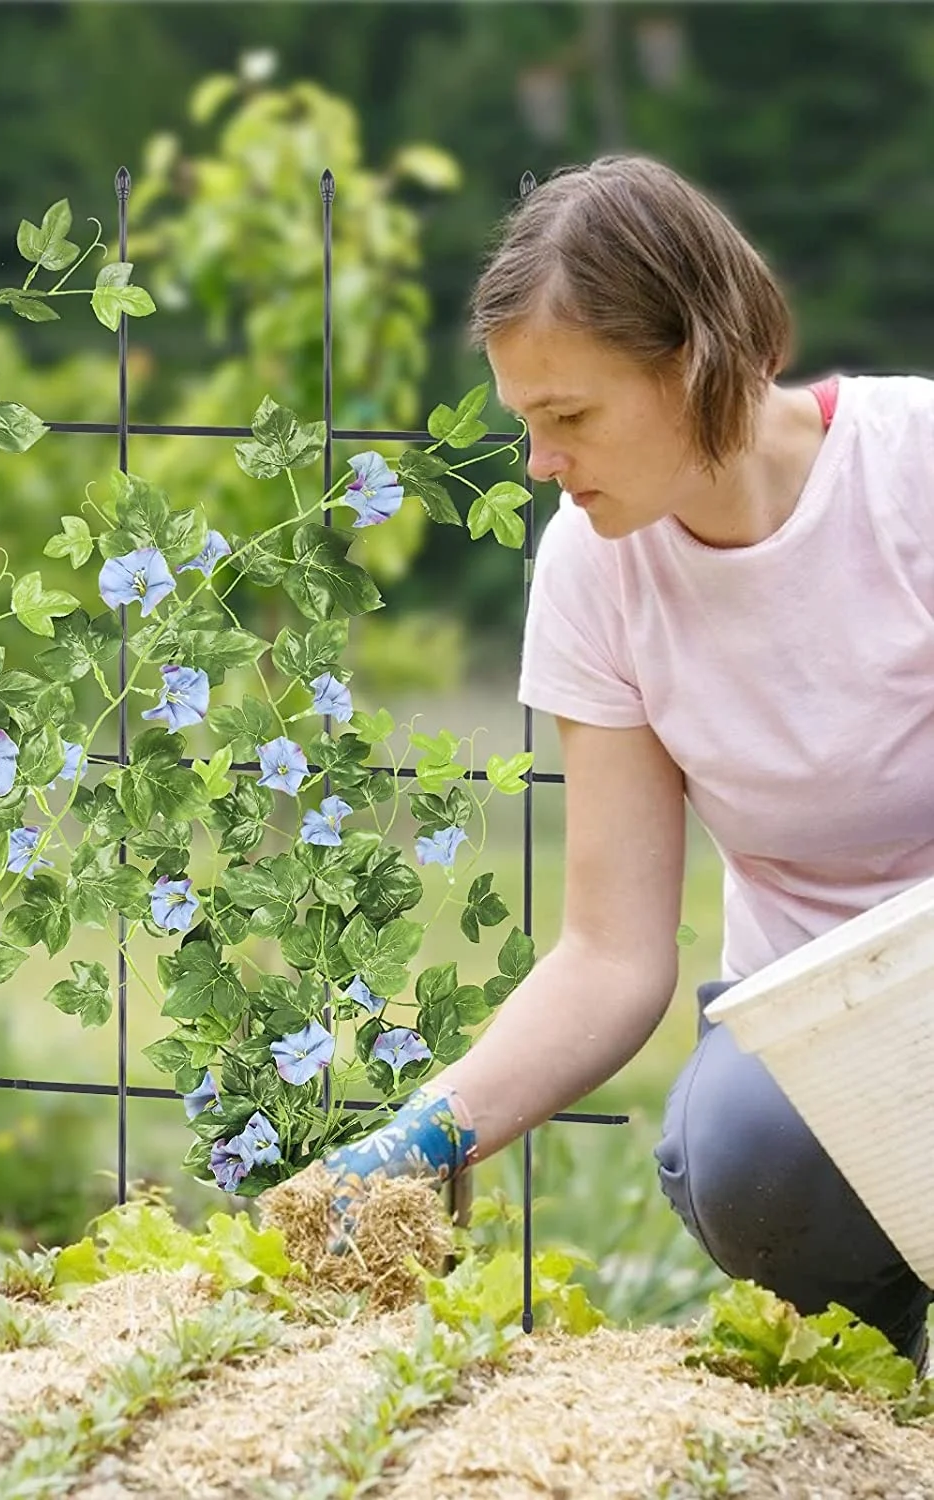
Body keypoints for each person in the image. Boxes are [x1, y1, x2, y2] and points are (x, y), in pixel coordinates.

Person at [321, 152, 934, 1371]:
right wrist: (419, 1138)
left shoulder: (912, 471)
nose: (543, 464)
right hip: (817, 1031)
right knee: (738, 1153)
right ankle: (884, 1363)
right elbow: (609, 955)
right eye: (527, 425)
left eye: (570, 418)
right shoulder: (594, 571)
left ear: (694, 364)